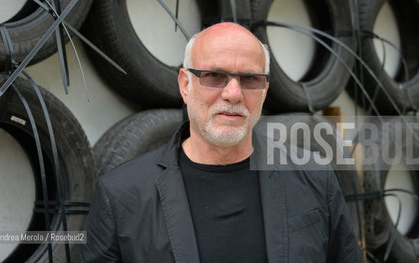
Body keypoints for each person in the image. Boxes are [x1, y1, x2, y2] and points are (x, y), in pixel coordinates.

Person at [79, 22, 364, 262]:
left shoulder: (314, 177)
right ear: (185, 84)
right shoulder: (122, 194)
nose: (233, 94)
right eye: (215, 76)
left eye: (250, 78)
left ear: (265, 91)